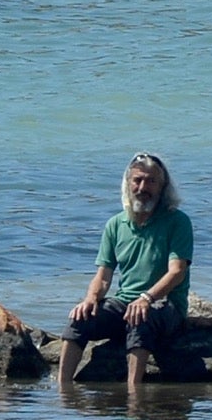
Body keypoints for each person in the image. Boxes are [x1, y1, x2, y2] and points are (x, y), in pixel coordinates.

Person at [60, 152, 194, 403]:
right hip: (125, 302)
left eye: (151, 181)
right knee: (79, 319)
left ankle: (135, 395)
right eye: (138, 180)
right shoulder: (115, 224)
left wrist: (147, 297)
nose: (143, 187)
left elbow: (177, 272)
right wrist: (90, 298)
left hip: (166, 305)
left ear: (162, 186)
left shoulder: (177, 221)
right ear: (128, 183)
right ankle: (63, 391)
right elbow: (103, 275)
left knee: (141, 317)